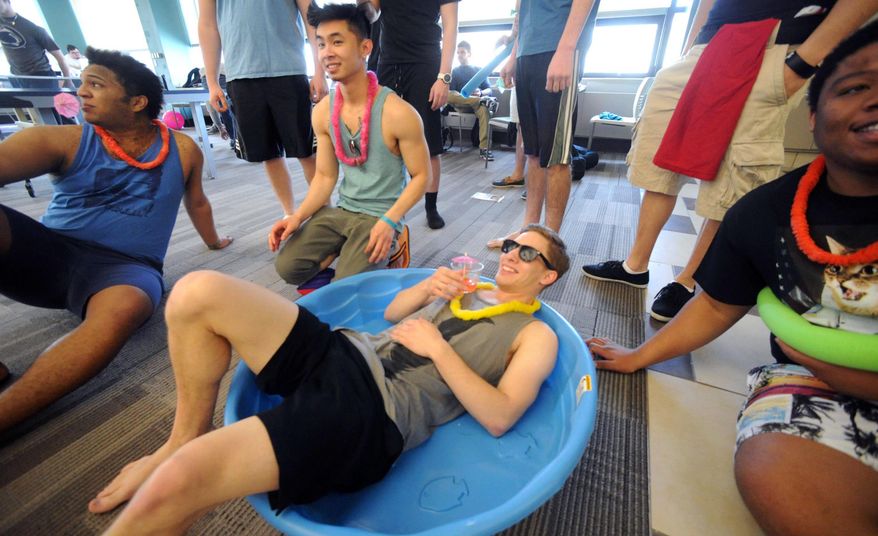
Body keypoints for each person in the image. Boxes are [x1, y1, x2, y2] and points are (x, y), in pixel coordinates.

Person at [88, 221, 570, 532]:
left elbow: (501, 416)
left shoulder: (534, 334)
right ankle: (180, 437)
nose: (511, 255)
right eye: (511, 245)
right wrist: (426, 287)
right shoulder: (470, 285)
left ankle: (178, 459)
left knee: (181, 480)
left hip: (377, 412)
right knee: (196, 291)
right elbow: (391, 312)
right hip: (346, 350)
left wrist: (438, 349)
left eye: (528, 255)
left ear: (547, 277)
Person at [587, 22, 878, 534]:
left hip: (831, 365)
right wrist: (638, 357)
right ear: (812, 116)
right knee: (780, 484)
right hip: (817, 383)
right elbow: (719, 304)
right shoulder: (766, 213)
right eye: (856, 87)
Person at [583, 0, 878, 323]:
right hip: (706, 44)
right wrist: (690, 49)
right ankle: (635, 267)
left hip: (778, 41)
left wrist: (802, 63)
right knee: (656, 162)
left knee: (733, 178)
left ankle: (688, 281)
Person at [0, 48, 232, 433]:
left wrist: (213, 242)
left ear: (137, 102)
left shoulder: (184, 148)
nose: (81, 91)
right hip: (47, 254)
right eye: (82, 82)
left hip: (126, 270)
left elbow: (198, 203)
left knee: (127, 307)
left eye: (96, 84)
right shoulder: (61, 139)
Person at [271, 3, 429, 290]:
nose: (326, 53)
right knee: (288, 267)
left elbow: (421, 177)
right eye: (320, 44)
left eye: (337, 41)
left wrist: (390, 221)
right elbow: (325, 177)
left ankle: (394, 244)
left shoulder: (399, 113)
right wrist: (296, 216)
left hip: (380, 215)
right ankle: (346, 259)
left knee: (348, 286)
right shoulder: (323, 111)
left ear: (365, 47)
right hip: (343, 210)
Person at [198, 0, 328, 217]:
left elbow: (311, 18)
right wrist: (212, 81)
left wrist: (319, 71)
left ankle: (325, 214)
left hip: (288, 71)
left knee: (306, 152)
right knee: (269, 154)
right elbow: (208, 25)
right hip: (241, 76)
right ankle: (288, 215)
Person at [488, 0, 601, 246]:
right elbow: (527, 11)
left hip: (558, 49)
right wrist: (514, 54)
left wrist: (566, 49)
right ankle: (529, 231)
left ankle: (550, 242)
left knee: (556, 156)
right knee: (534, 153)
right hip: (527, 53)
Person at [360, 0, 459, 230]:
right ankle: (381, 203)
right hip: (389, 60)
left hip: (426, 62)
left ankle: (431, 207)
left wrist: (443, 77)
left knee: (429, 139)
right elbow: (371, 14)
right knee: (382, 137)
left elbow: (451, 25)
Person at [0, 0, 72, 89]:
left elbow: (60, 57)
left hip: (41, 77)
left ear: (7, 1)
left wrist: (68, 80)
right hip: (17, 76)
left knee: (46, 103)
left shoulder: (33, 29)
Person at [446, 40, 498, 161]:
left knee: (484, 109)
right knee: (448, 94)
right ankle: (480, 100)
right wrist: (471, 98)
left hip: (476, 104)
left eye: (462, 52)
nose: (459, 55)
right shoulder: (455, 71)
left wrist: (480, 93)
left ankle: (484, 149)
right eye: (458, 53)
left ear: (469, 53)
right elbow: (452, 93)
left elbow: (489, 90)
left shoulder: (479, 70)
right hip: (461, 103)